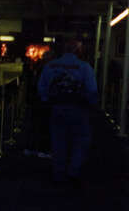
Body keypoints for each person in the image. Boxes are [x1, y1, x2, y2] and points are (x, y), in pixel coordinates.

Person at [37, 38, 97, 185]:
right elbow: (92, 90)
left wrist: (46, 101)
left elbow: (41, 87)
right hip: (78, 109)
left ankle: (59, 173)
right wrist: (91, 104)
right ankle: (73, 171)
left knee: (58, 141)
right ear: (78, 51)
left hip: (56, 108)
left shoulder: (50, 66)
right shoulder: (85, 67)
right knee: (80, 140)